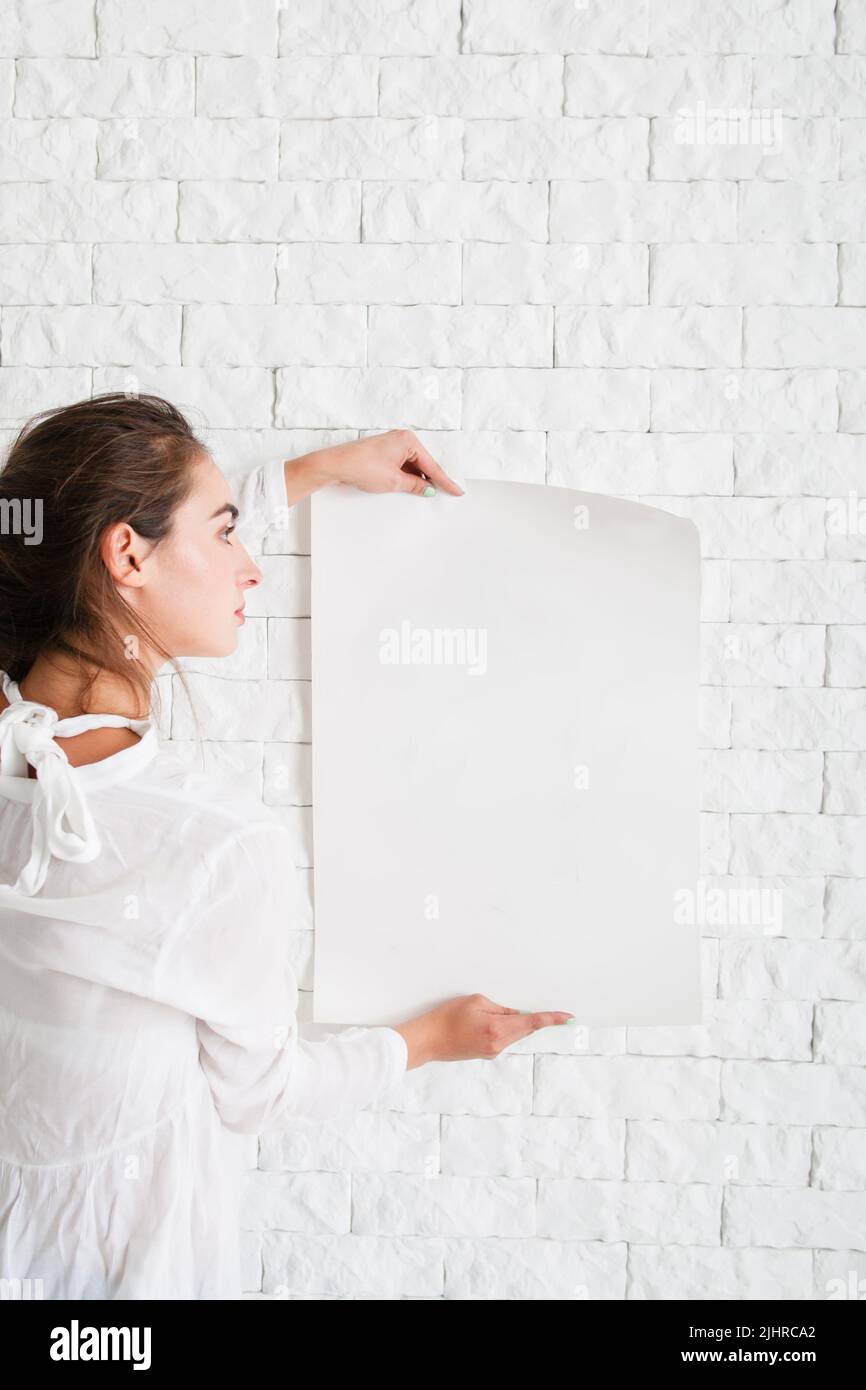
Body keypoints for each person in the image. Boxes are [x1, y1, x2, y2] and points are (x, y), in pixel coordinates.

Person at [0, 393, 574, 1300]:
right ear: (125, 553)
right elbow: (259, 1095)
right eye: (228, 534)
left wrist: (312, 475)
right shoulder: (215, 846)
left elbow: (93, 561)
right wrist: (425, 1040)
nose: (253, 567)